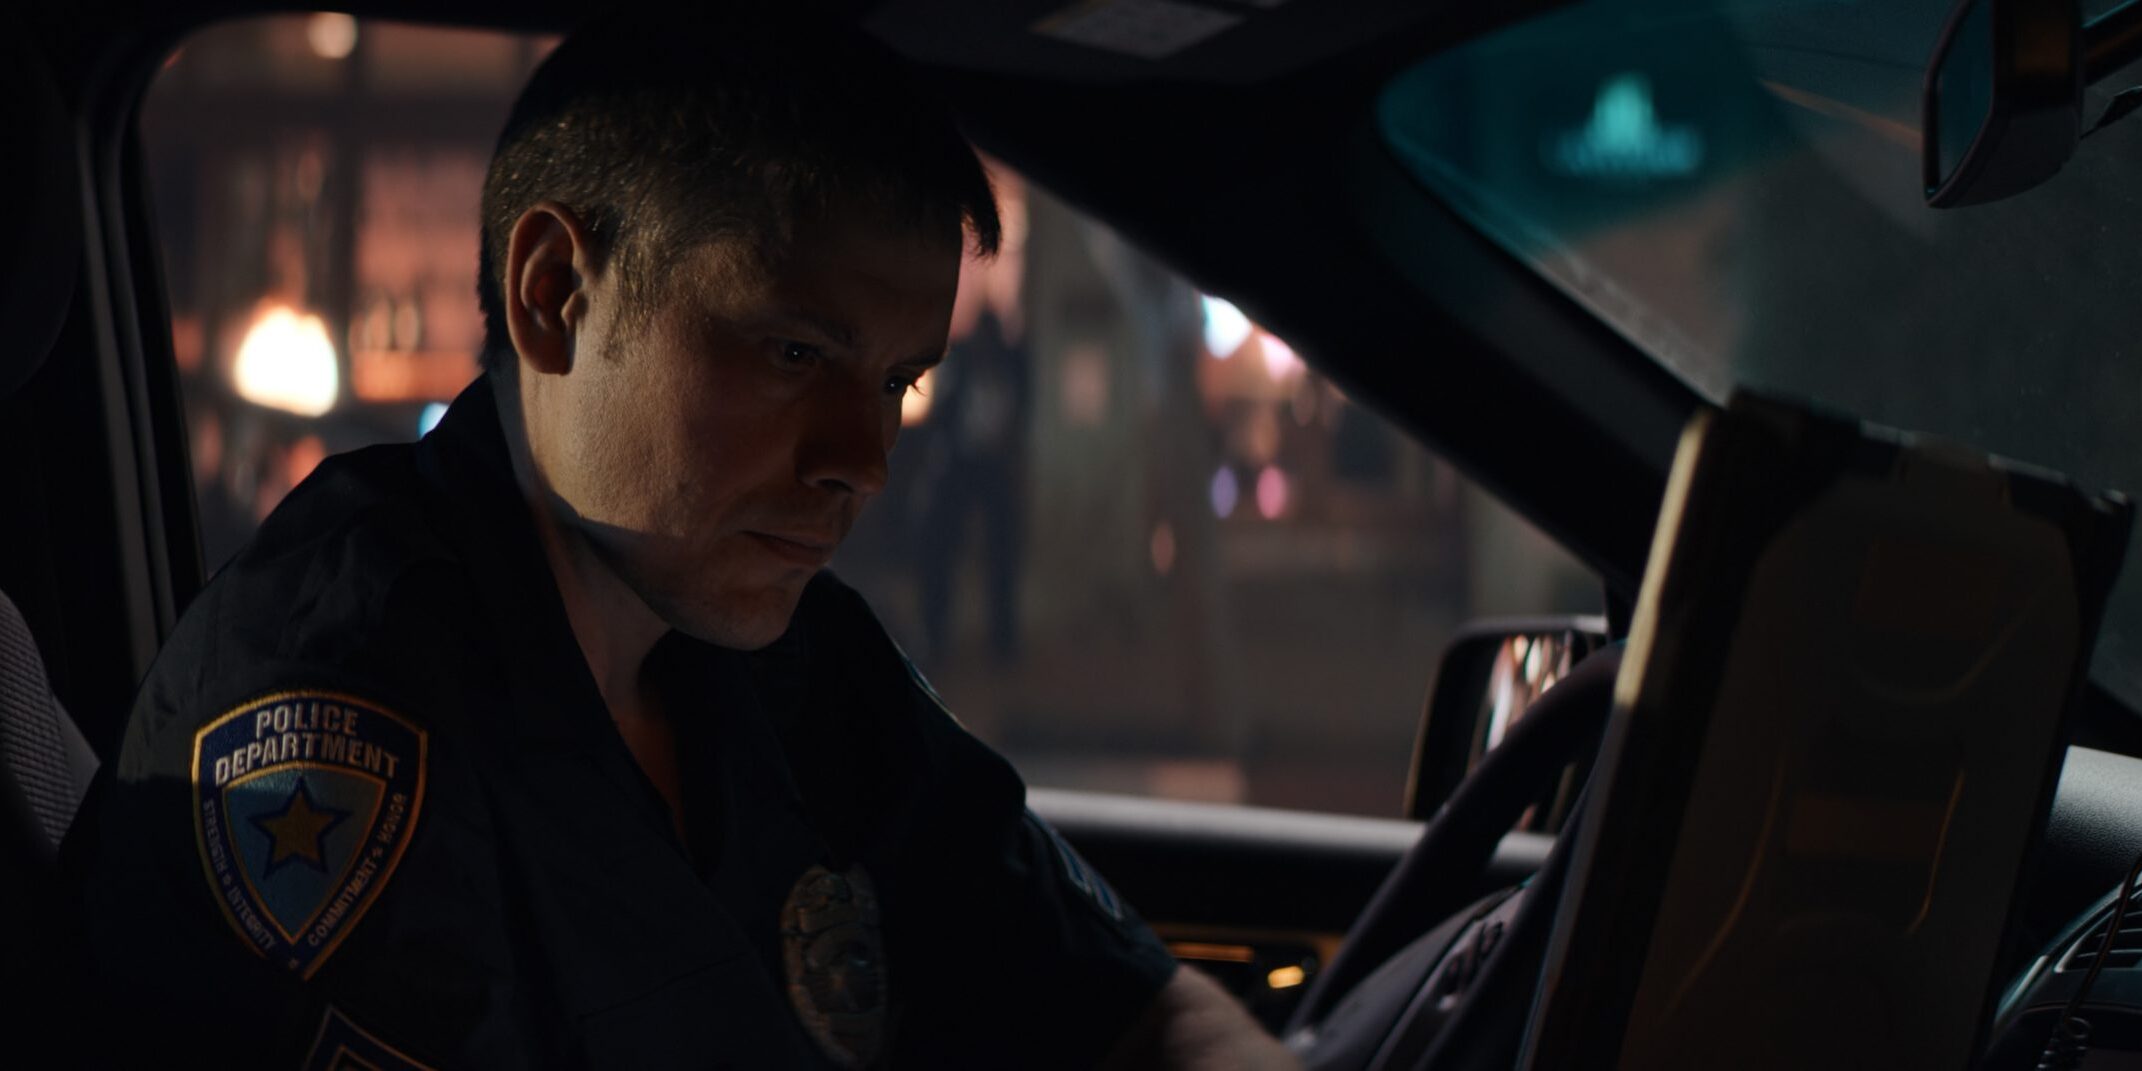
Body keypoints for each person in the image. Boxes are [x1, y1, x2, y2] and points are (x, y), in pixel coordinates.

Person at [67, 9, 1299, 1070]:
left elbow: (1126, 1003)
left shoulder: (789, 656)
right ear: (555, 294)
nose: (860, 463)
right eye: (794, 354)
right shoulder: (344, 697)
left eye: (896, 382)